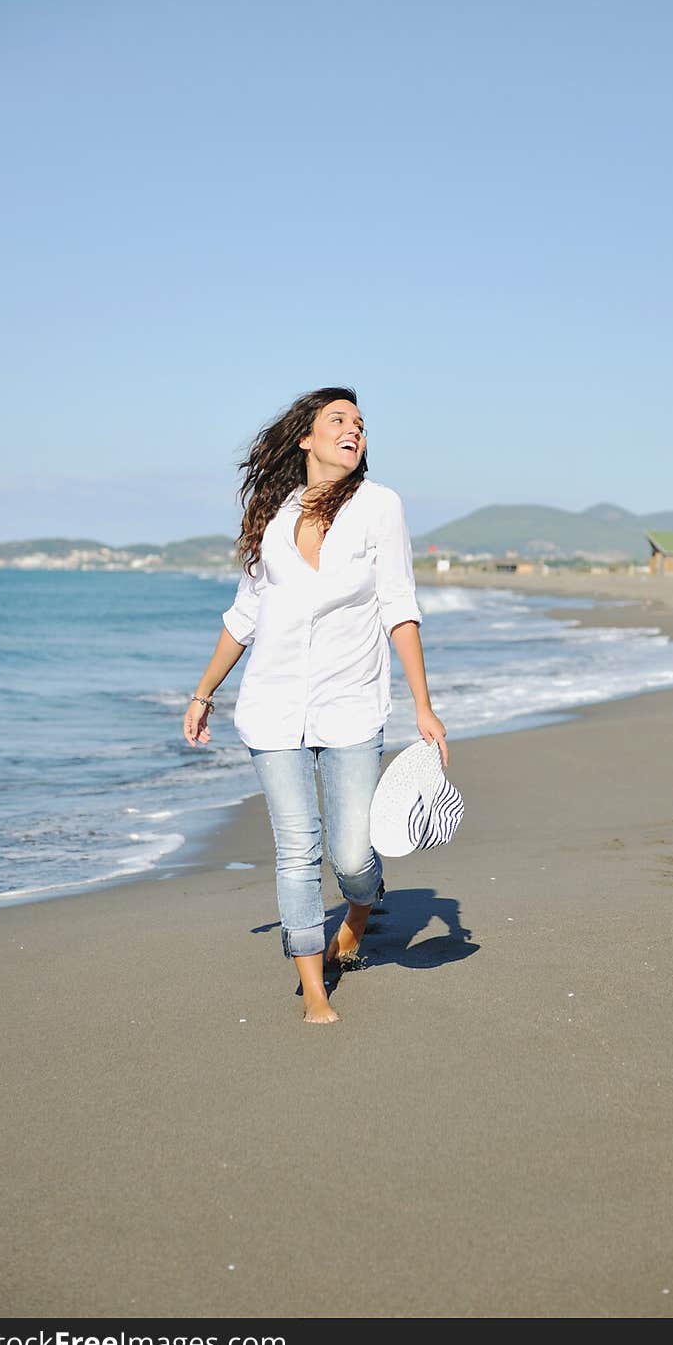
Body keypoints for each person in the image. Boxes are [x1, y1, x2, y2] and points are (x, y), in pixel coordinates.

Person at [183, 387, 448, 1024]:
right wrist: (202, 692)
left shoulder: (380, 507)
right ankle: (315, 988)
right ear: (306, 438)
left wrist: (424, 705)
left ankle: (361, 906)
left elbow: (398, 605)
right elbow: (244, 617)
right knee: (296, 847)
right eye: (338, 420)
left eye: (359, 423)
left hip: (352, 705)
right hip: (271, 709)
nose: (353, 429)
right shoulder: (273, 518)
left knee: (353, 856)